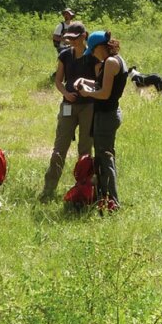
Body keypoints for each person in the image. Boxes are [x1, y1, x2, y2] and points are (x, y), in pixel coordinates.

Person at [40, 21, 96, 202]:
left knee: (85, 149)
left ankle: (83, 190)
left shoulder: (93, 56)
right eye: (69, 38)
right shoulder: (64, 55)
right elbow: (58, 81)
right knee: (59, 148)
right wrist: (66, 93)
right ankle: (48, 189)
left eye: (74, 38)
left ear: (83, 36)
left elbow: (100, 82)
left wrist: (86, 87)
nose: (71, 41)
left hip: (88, 106)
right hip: (68, 105)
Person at [74, 30, 130, 210]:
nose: (93, 55)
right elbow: (102, 85)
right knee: (103, 157)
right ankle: (103, 197)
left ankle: (112, 201)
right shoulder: (114, 60)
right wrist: (85, 81)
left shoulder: (111, 62)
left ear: (100, 47)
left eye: (93, 50)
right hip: (108, 114)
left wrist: (86, 93)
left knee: (105, 159)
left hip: (106, 116)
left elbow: (105, 93)